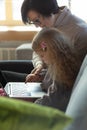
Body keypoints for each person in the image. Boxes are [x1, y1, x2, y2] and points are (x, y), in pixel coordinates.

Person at [0, 0, 87, 90]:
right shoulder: (50, 24)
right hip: (43, 70)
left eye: (37, 20)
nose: (37, 26)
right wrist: (39, 65)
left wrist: (40, 76)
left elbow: (69, 74)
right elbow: (39, 50)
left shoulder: (79, 31)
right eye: (33, 22)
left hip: (52, 80)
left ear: (48, 10)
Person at [31, 27, 80, 111]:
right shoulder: (58, 64)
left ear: (51, 51)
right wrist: (40, 76)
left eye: (42, 56)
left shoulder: (62, 73)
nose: (42, 59)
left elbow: (52, 100)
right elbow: (50, 76)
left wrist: (31, 107)